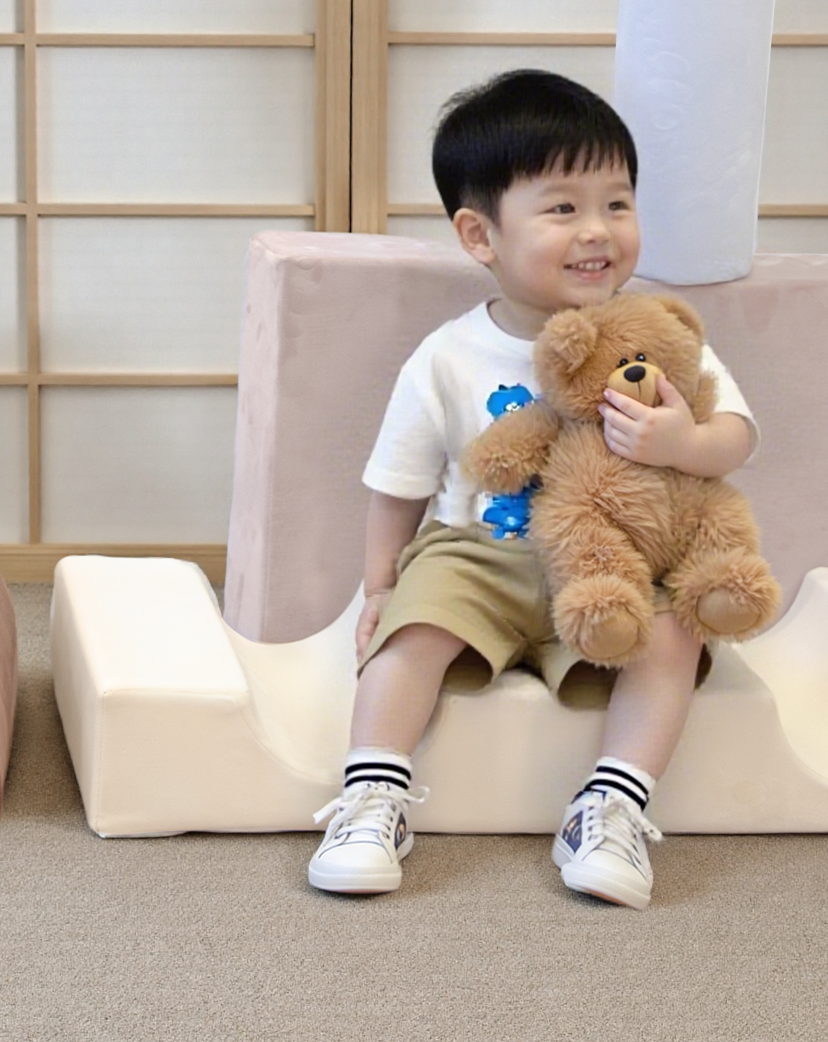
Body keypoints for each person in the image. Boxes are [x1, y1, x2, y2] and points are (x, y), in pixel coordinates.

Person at [307, 69, 759, 909]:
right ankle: (371, 797)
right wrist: (378, 585)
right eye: (562, 209)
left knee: (672, 635)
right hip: (477, 552)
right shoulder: (448, 355)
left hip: (615, 566)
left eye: (617, 203)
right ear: (480, 234)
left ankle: (612, 806)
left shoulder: (659, 338)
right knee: (409, 635)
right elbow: (398, 484)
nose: (598, 231)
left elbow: (735, 432)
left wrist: (684, 442)